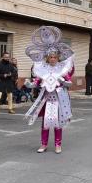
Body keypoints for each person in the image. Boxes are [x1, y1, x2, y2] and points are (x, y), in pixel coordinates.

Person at [24, 26, 74, 154]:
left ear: (58, 57)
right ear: (47, 57)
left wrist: (63, 82)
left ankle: (58, 144)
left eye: (55, 57)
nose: (52, 59)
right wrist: (30, 84)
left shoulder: (63, 69)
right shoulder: (42, 69)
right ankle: (43, 144)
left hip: (58, 99)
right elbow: (37, 82)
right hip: (46, 100)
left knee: (57, 123)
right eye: (50, 57)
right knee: (45, 123)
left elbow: (69, 83)